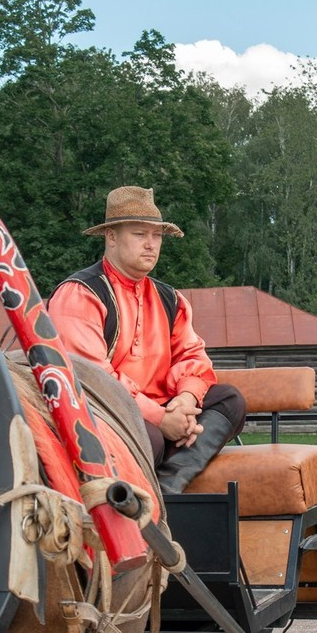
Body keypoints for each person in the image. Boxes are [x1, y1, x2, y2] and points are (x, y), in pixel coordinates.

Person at [48, 186, 245, 494]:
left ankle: (166, 489)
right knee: (147, 438)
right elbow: (93, 380)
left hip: (164, 413)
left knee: (229, 400)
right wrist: (161, 418)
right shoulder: (81, 294)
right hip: (107, 417)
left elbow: (193, 358)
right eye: (140, 234)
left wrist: (186, 401)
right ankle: (160, 483)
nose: (151, 245)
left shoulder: (169, 299)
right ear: (111, 237)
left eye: (157, 236)